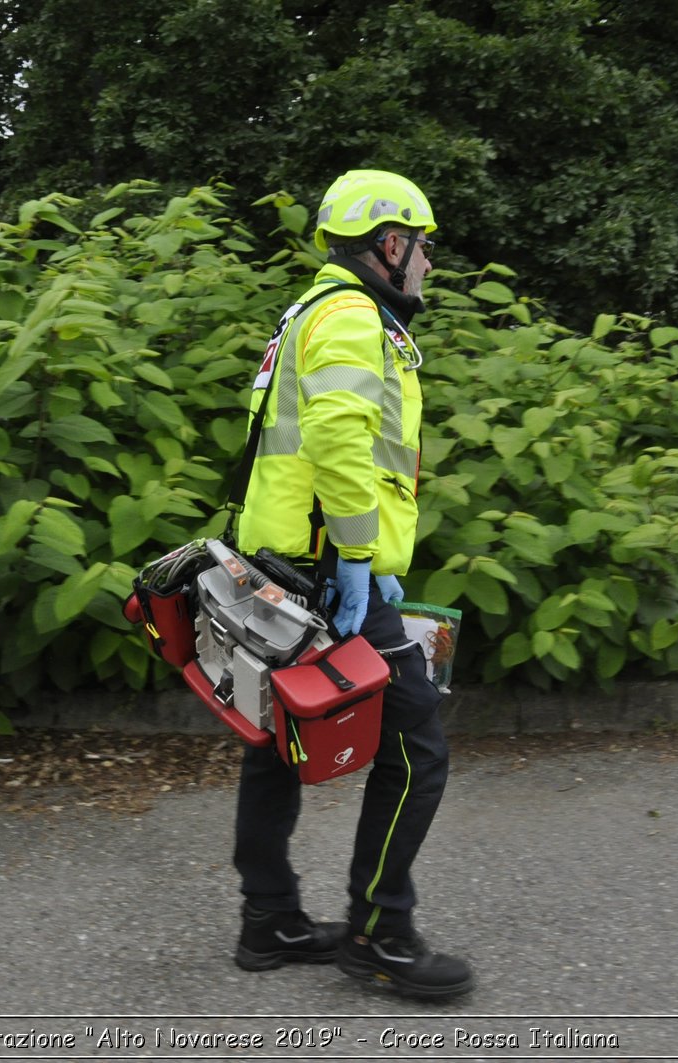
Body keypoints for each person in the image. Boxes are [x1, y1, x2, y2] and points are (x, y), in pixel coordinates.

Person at [230, 170, 473, 1000]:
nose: (430, 266)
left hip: (284, 561)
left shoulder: (311, 308)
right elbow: (337, 438)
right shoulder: (349, 316)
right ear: (391, 244)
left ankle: (270, 920)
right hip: (328, 568)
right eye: (425, 248)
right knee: (417, 747)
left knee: (275, 739)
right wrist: (362, 561)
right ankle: (380, 933)